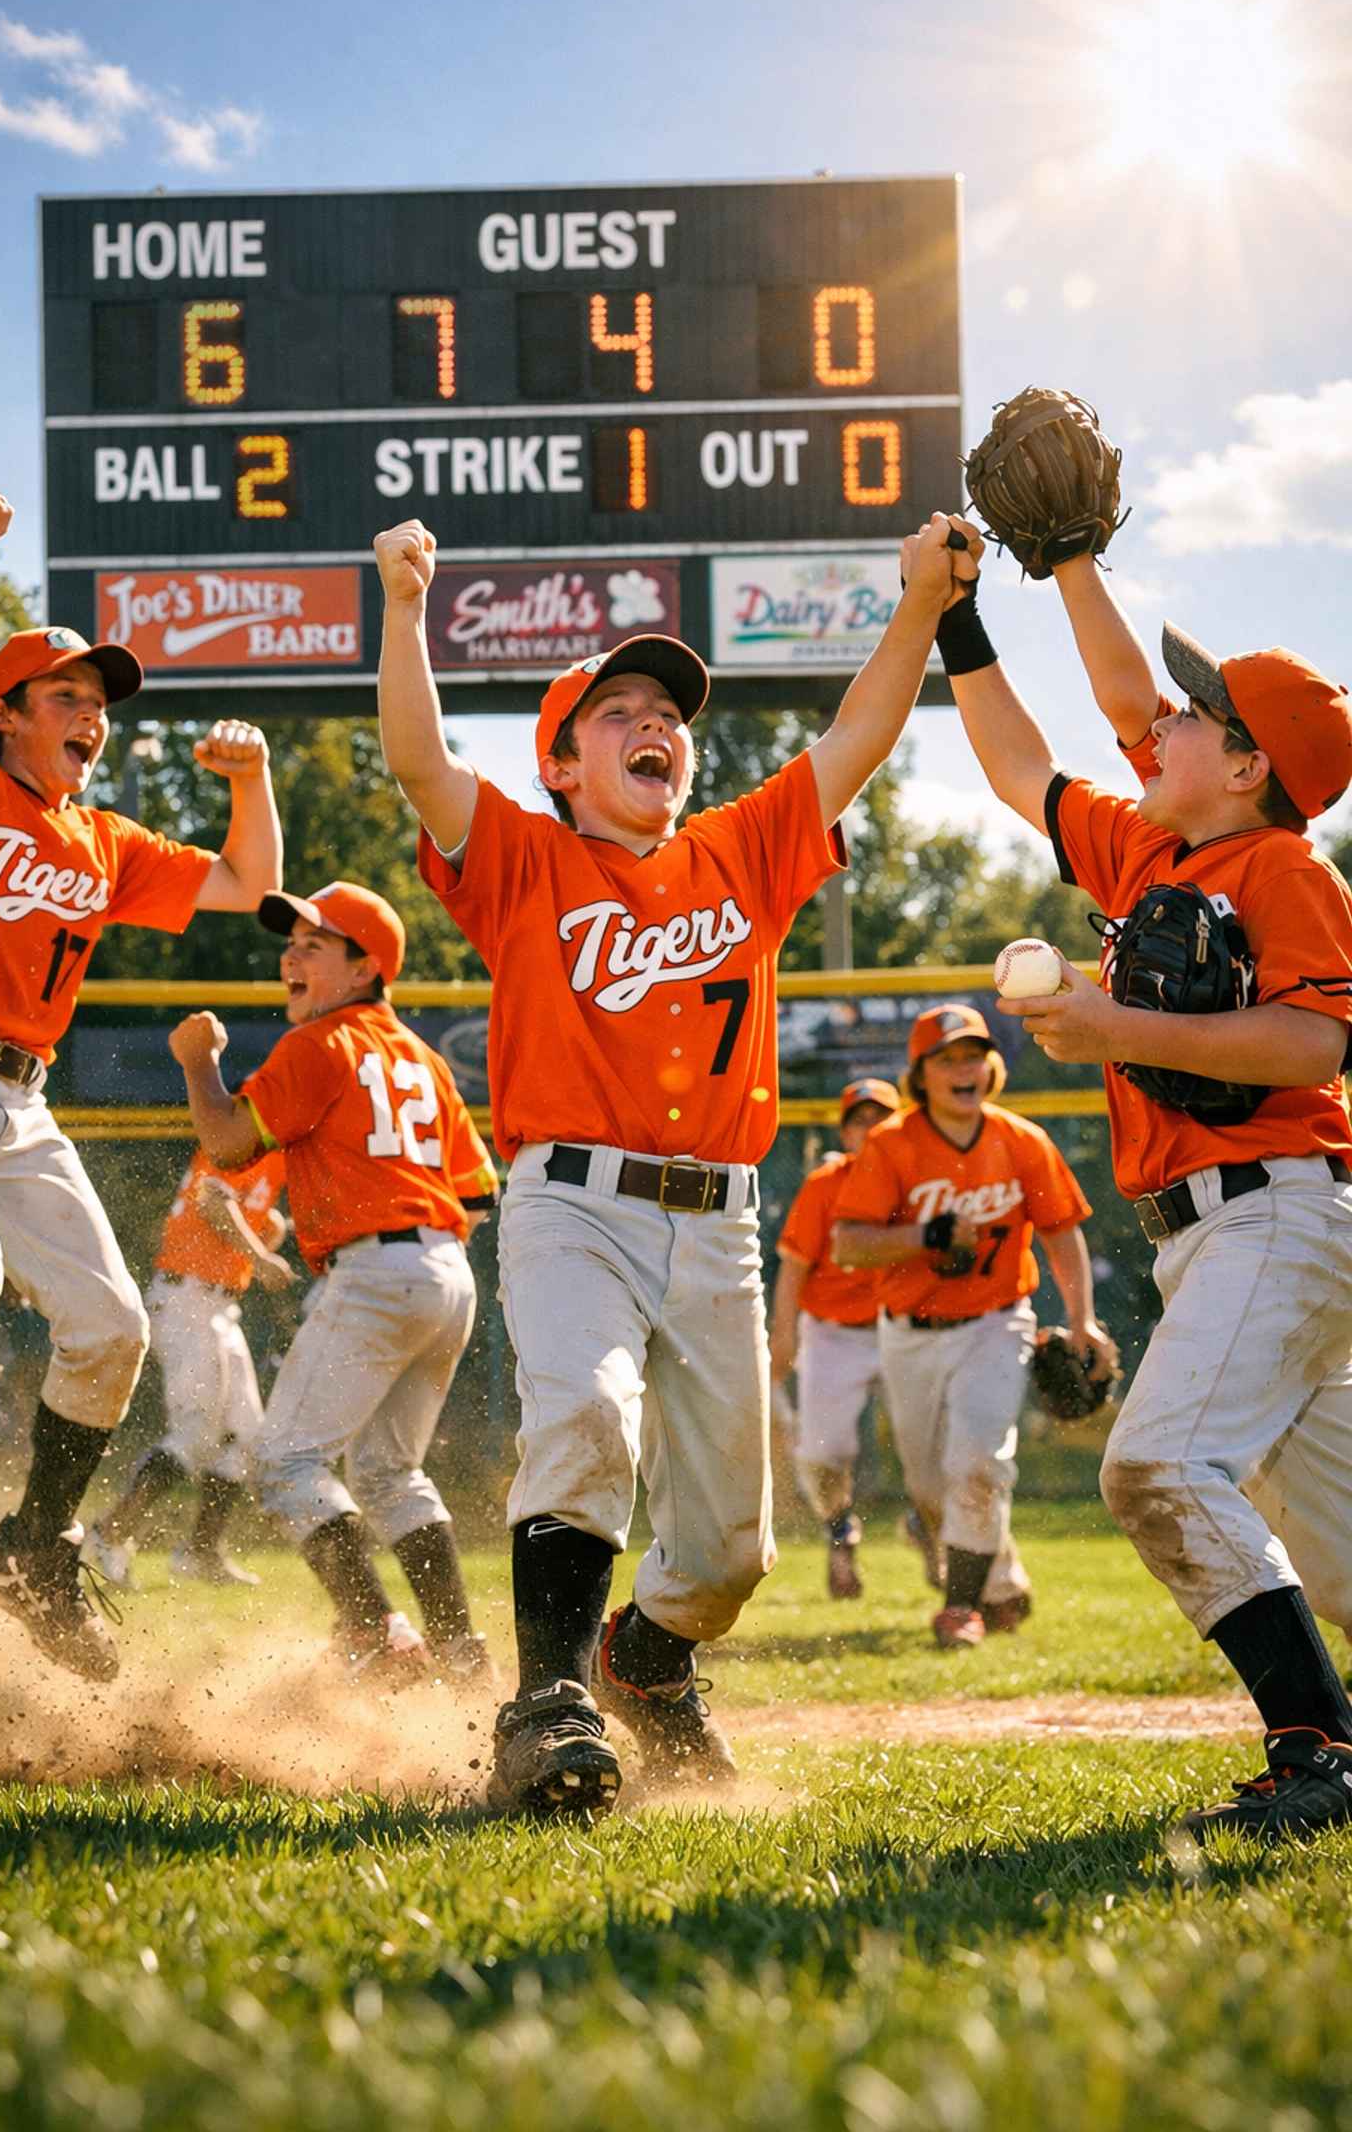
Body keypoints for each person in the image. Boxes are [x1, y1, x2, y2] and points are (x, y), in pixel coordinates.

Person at [375, 510, 958, 1817]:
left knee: (729, 1552)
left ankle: (645, 1665)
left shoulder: (740, 851)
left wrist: (915, 601)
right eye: (618, 710)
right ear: (564, 767)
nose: (656, 722)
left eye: (669, 710)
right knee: (582, 1411)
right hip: (571, 1201)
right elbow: (418, 762)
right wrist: (404, 608)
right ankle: (551, 1701)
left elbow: (857, 740)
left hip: (721, 1229)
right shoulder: (527, 859)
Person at [0, 484, 283, 1680]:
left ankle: (33, 1546)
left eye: (100, 704)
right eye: (67, 696)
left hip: (19, 1103)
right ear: (8, 715)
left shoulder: (111, 842)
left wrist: (250, 778)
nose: (91, 716)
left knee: (115, 1330)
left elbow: (247, 883)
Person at [935, 519, 1352, 1833]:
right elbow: (1022, 762)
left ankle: (1315, 1755)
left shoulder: (1283, 865)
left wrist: (1118, 1032)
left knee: (1154, 1469)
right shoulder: (1149, 849)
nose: (1163, 717)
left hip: (1277, 1210)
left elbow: (1315, 1041)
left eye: (1199, 712)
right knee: (1340, 1549)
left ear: (1246, 766)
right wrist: (966, 614)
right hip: (1217, 1239)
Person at [167, 879, 499, 1688]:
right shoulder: (421, 1056)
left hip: (377, 1269)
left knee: (284, 1466)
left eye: (313, 944)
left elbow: (228, 1142)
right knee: (389, 1475)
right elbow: (479, 1194)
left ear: (364, 968)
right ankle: (462, 1653)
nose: (291, 954)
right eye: (292, 942)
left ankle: (378, 1637)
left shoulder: (321, 1044)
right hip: (447, 1270)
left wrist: (200, 1065)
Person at [829, 1004, 1113, 1647]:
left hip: (996, 1321)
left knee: (980, 1462)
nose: (964, 1069)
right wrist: (923, 1235)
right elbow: (848, 1243)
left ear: (992, 1068)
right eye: (947, 1058)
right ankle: (982, 1565)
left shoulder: (1020, 1140)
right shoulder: (892, 1144)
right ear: (920, 1075)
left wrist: (1083, 1322)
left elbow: (1062, 1233)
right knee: (932, 1487)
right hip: (909, 1333)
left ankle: (961, 1608)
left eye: (973, 1056)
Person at [85, 1150, 293, 1590]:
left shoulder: (275, 1153)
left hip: (217, 1305)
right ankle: (110, 1534)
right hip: (185, 1302)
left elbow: (247, 1212)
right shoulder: (237, 1137)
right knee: (195, 1437)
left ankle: (201, 1552)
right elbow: (212, 1203)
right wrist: (258, 1255)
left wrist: (264, 1228)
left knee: (246, 1437)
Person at [769, 1077, 899, 1597]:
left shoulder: (913, 1180)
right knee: (821, 1456)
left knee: (934, 1454)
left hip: (900, 1330)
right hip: (831, 1334)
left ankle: (935, 1533)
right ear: (845, 1132)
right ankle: (838, 1526)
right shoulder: (826, 1183)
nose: (870, 1130)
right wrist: (785, 1334)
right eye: (859, 1120)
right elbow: (794, 1269)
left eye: (881, 1119)